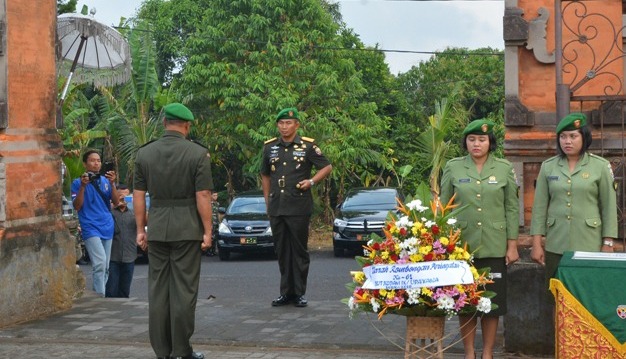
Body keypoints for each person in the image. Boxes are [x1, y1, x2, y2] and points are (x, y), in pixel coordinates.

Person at [133, 102, 213, 359]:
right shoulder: (197, 154)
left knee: (158, 291)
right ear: (186, 125)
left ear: (165, 123)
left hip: (156, 227)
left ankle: (162, 351)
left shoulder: (144, 154)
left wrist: (140, 229)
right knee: (184, 291)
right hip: (187, 229)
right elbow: (202, 194)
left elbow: (138, 195)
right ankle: (182, 350)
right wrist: (208, 231)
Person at [440, 119, 519, 359]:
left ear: (490, 142)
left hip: (495, 245)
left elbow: (512, 208)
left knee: (491, 304)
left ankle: (487, 352)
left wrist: (512, 244)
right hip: (461, 246)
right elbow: (444, 208)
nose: (477, 144)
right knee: (465, 303)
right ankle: (469, 352)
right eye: (472, 139)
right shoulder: (453, 167)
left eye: (482, 140)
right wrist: (442, 245)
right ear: (465, 142)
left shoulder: (504, 168)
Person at [530, 113, 617, 290]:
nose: (567, 141)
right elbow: (539, 208)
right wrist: (536, 244)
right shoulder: (548, 166)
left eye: (573, 136)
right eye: (563, 136)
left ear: (584, 137)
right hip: (556, 244)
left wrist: (608, 242)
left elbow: (608, 207)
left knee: (586, 294)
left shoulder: (599, 166)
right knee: (556, 295)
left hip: (589, 243)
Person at [260, 107, 332, 308]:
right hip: (277, 206)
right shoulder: (269, 147)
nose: (284, 127)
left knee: (299, 251)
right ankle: (286, 293)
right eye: (281, 123)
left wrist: (312, 181)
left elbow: (326, 167)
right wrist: (268, 201)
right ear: (277, 125)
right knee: (282, 251)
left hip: (298, 205)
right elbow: (265, 175)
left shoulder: (308, 146)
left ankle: (299, 293)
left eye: (288, 123)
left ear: (297, 125)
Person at [71, 149, 119, 297]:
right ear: (85, 164)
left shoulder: (105, 181)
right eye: (92, 160)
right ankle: (101, 298)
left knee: (105, 267)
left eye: (98, 160)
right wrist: (83, 187)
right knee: (99, 263)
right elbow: (77, 206)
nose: (96, 163)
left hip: (107, 226)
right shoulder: (77, 183)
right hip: (90, 226)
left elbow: (116, 202)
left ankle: (99, 293)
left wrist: (112, 184)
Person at [105, 184, 137, 298]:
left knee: (124, 291)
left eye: (126, 196)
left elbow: (147, 221)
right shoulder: (109, 213)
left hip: (129, 256)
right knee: (111, 291)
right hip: (112, 257)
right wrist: (113, 205)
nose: (123, 199)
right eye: (120, 196)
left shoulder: (134, 213)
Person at [205, 192, 219, 256]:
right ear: (211, 196)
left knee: (215, 237)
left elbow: (218, 214)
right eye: (214, 195)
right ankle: (209, 251)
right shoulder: (209, 204)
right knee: (211, 237)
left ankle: (214, 250)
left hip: (216, 222)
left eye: (216, 195)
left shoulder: (217, 204)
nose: (215, 196)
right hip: (211, 222)